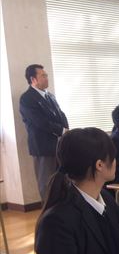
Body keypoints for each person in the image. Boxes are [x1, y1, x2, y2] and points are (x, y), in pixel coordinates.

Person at [19, 64, 69, 199]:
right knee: (47, 182)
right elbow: (39, 121)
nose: (47, 78)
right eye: (43, 76)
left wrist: (66, 130)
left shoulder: (50, 95)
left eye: (46, 75)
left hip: (59, 144)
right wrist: (61, 130)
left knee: (63, 179)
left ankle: (63, 207)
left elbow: (61, 114)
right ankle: (48, 210)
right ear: (33, 79)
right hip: (43, 147)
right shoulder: (27, 98)